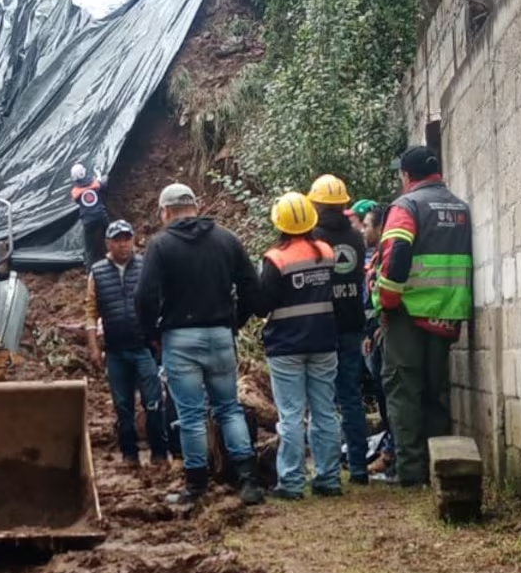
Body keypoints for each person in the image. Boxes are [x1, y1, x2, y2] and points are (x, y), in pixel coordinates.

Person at [135, 183, 263, 506]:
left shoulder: (160, 246)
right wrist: (235, 322)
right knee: (229, 408)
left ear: (165, 212)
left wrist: (152, 335)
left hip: (180, 339)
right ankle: (248, 480)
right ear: (196, 205)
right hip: (220, 334)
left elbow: (144, 297)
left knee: (191, 415)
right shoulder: (226, 239)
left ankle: (196, 486)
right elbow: (252, 286)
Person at [378, 146, 474, 487]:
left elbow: (397, 252)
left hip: (410, 312)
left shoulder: (407, 206)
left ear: (407, 176)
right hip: (448, 312)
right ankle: (441, 469)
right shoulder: (460, 208)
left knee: (404, 391)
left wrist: (387, 300)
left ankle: (411, 473)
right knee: (436, 393)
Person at [256, 191, 342, 499]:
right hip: (323, 342)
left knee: (291, 416)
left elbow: (262, 304)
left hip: (286, 346)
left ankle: (291, 483)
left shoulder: (275, 259)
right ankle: (329, 479)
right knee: (325, 412)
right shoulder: (326, 251)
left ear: (279, 224)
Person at [85, 220, 169, 467]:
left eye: (127, 238)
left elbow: (160, 301)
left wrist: (161, 338)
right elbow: (90, 311)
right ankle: (129, 455)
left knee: (153, 402)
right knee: (123, 407)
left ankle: (159, 454)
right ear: (108, 243)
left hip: (144, 347)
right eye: (117, 239)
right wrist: (93, 347)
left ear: (133, 240)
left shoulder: (146, 266)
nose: (123, 244)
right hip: (115, 350)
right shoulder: (98, 272)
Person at [308, 173, 369, 485]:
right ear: (343, 203)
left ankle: (326, 469)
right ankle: (358, 468)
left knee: (322, 400)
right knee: (350, 397)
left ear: (316, 204)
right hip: (352, 324)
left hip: (322, 325)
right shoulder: (358, 237)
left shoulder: (313, 239)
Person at [361, 203, 397, 478]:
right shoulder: (374, 256)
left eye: (366, 225)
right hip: (373, 334)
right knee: (383, 396)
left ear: (379, 228)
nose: (363, 230)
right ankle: (390, 451)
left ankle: (393, 454)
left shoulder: (387, 255)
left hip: (383, 332)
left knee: (389, 395)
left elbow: (384, 294)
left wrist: (378, 326)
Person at [70, 163, 111, 270]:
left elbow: (77, 200)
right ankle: (113, 259)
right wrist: (103, 177)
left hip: (88, 221)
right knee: (110, 236)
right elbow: (104, 185)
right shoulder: (95, 184)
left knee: (89, 248)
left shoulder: (75, 192)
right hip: (101, 216)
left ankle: (90, 270)